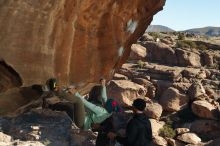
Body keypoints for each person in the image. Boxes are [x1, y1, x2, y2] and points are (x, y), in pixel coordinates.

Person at [40, 78, 121, 130]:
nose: (105, 102)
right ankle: (48, 106)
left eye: (106, 103)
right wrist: (103, 85)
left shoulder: (101, 111)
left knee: (78, 101)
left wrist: (76, 93)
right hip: (84, 122)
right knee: (68, 106)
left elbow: (86, 104)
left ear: (106, 106)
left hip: (82, 122)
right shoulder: (109, 111)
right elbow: (104, 98)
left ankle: (56, 90)